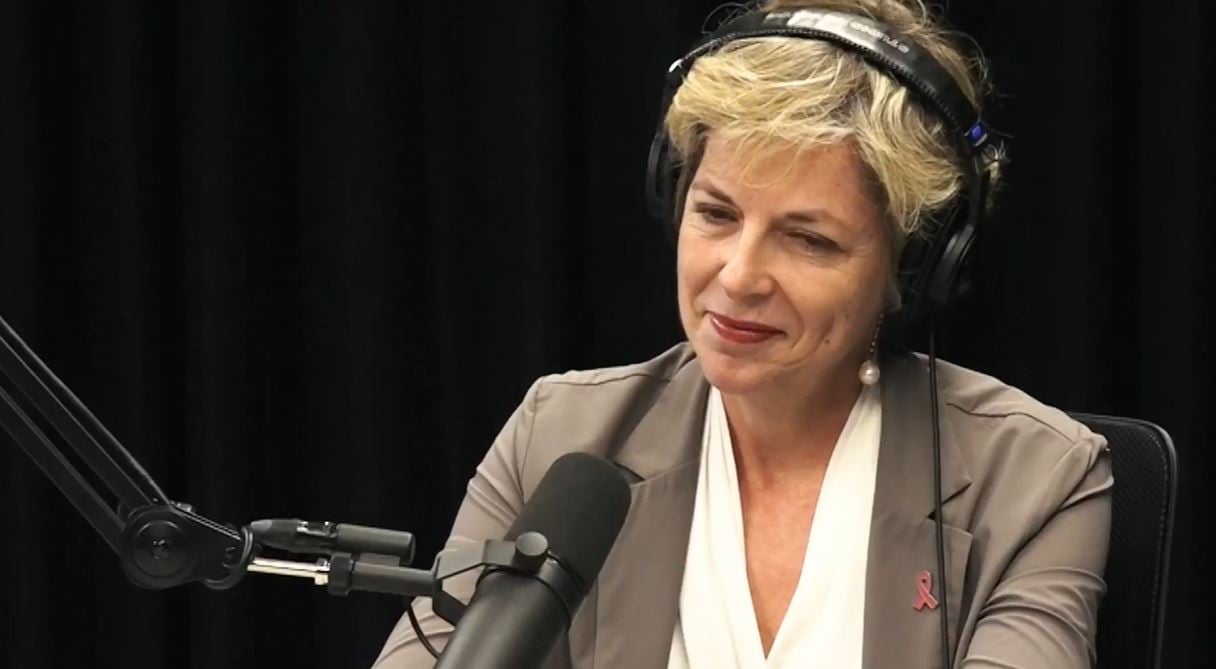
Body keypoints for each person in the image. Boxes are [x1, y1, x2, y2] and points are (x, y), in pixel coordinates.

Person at [373, 0, 1112, 666]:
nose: (738, 275)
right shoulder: (559, 435)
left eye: (808, 239)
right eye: (717, 214)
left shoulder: (1034, 480)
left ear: (911, 266)